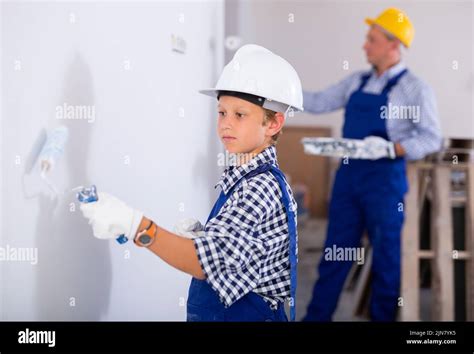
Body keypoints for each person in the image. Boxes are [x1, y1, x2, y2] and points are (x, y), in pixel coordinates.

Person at [80, 44, 303, 321]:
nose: (225, 124)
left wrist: (136, 225)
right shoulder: (244, 177)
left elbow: (205, 265)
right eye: (222, 112)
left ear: (273, 124)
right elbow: (237, 255)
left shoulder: (257, 188)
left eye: (240, 114)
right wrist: (204, 239)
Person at [302, 8, 442, 321]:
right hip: (348, 178)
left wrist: (394, 147)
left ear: (393, 45)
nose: (365, 46)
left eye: (372, 40)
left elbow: (432, 138)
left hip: (385, 182)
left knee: (386, 258)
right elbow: (319, 101)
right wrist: (276, 91)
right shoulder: (357, 81)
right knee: (335, 254)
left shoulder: (415, 90)